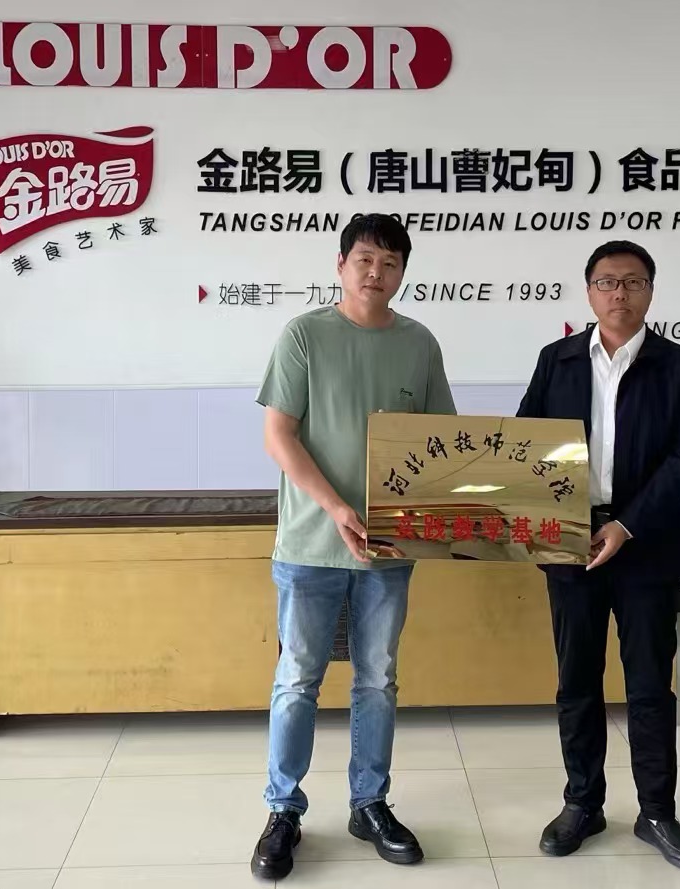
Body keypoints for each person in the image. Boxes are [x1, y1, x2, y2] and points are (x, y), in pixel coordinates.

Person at [251, 213, 456, 881]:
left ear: (403, 273)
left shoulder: (418, 344)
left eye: (391, 263)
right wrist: (338, 507)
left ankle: (369, 803)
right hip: (311, 543)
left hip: (387, 548)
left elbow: (441, 443)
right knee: (297, 680)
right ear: (340, 265)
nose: (376, 272)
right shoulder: (304, 335)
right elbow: (279, 435)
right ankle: (283, 810)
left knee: (377, 679)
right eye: (365, 258)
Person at [517, 240, 680, 872]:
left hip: (647, 542)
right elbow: (526, 442)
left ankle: (657, 812)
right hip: (570, 541)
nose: (619, 293)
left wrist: (627, 525)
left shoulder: (679, 366)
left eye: (632, 282)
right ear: (589, 291)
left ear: (650, 291)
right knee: (576, 679)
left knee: (650, 684)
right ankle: (583, 803)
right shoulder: (556, 361)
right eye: (606, 282)